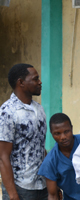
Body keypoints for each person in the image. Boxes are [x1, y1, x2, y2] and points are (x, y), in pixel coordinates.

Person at [0, 64, 47, 200]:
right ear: (20, 82)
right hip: (21, 188)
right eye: (35, 79)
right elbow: (3, 157)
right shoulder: (7, 112)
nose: (40, 82)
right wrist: (13, 195)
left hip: (42, 185)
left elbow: (40, 147)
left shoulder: (39, 109)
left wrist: (52, 182)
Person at [38, 113, 80, 200]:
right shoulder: (50, 161)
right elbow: (53, 195)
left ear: (72, 128)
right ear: (51, 133)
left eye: (66, 131)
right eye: (57, 133)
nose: (63, 137)